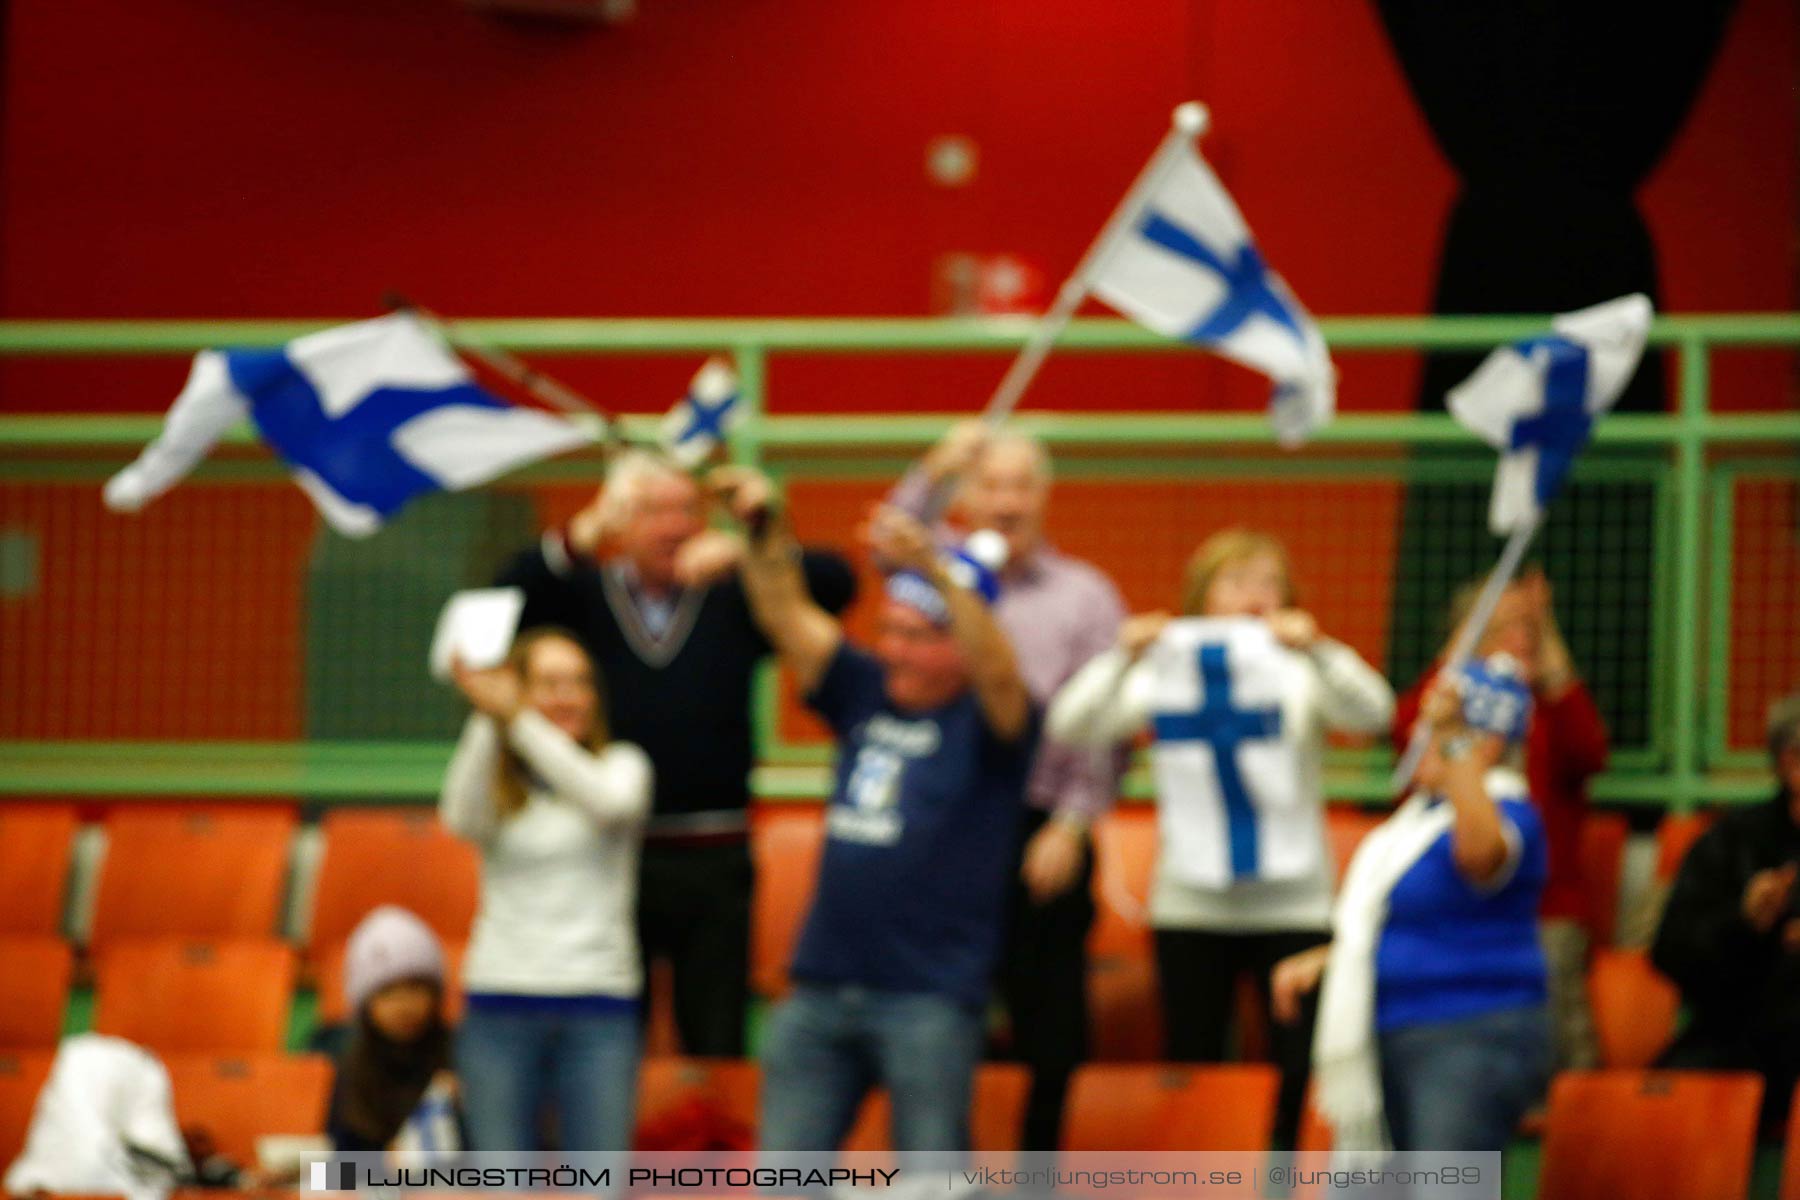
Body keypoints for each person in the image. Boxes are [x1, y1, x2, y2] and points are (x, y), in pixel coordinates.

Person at [715, 467, 1035, 1159]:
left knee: (930, 1176)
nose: (894, 650)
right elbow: (784, 613)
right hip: (820, 986)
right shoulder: (865, 689)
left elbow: (1002, 672)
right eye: (888, 630)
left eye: (918, 637)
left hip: (929, 998)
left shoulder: (992, 721)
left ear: (960, 645)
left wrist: (941, 572)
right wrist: (763, 526)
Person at [495, 449, 856, 1056]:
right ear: (619, 520)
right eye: (653, 510)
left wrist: (754, 546)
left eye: (686, 509)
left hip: (716, 852)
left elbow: (837, 583)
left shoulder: (735, 592)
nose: (673, 526)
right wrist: (581, 536)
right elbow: (504, 602)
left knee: (714, 1039)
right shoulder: (585, 593)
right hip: (607, 851)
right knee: (611, 1042)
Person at [1047, 528, 1392, 1150]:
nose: (1253, 596)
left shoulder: (1300, 669)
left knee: (1296, 1068)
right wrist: (1119, 655)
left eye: (1268, 581)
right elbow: (1072, 723)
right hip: (1190, 904)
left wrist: (1320, 649)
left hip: (1294, 903)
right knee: (1196, 1065)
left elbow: (1375, 714)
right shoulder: (1165, 668)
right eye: (1235, 581)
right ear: (1201, 596)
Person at [888, 422, 1126, 1150]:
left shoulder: (1087, 595)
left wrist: (1074, 825)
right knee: (934, 1021)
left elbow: (1108, 723)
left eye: (1022, 485)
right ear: (966, 497)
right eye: (990, 484)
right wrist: (933, 467)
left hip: (1043, 828)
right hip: (945, 825)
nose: (1007, 501)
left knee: (1051, 1033)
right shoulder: (935, 576)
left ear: (1045, 497)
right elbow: (887, 541)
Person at [1276, 656, 1550, 1157]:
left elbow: (1481, 853)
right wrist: (1330, 961)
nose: (1418, 746)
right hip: (1391, 1029)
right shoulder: (1413, 823)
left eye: (1433, 736)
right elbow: (1393, 925)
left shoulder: (1511, 812)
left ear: (1485, 745)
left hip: (1468, 1032)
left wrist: (1454, 736)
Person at [439, 628, 653, 1151]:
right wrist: (490, 714)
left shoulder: (623, 765)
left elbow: (609, 804)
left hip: (599, 1008)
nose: (568, 697)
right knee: (504, 1184)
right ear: (519, 689)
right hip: (499, 1005)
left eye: (580, 683)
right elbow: (460, 818)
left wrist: (518, 718)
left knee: (599, 1186)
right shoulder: (499, 779)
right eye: (550, 683)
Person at [1393, 566, 1608, 1070]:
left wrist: (1546, 640)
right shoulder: (1451, 700)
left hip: (1545, 902)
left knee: (1559, 1029)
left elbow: (1589, 753)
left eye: (1527, 629)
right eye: (1500, 627)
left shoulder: (1547, 704)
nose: (1516, 640)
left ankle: (1567, 1125)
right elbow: (1408, 736)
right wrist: (1463, 655)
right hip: (1455, 901)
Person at [1651, 691, 1800, 1135]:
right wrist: (1744, 923)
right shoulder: (1735, 840)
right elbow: (1671, 952)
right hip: (1741, 1041)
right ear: (1790, 762)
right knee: (1658, 1104)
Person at [325, 906, 462, 1159]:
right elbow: (335, 1165)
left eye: (415, 987)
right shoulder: (345, 1062)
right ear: (366, 1003)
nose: (403, 1005)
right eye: (387, 992)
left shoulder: (463, 1057)